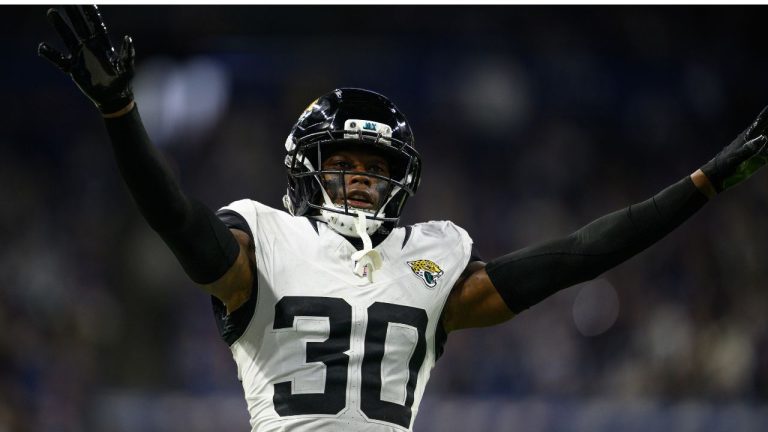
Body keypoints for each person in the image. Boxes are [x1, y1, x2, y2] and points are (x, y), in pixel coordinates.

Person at [38, 5, 768, 432]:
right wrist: (120, 112)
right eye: (343, 163)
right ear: (307, 170)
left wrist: (701, 184)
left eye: (376, 168)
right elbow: (176, 219)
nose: (359, 177)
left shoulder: (435, 259)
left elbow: (576, 257)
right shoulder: (264, 240)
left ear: (403, 181)